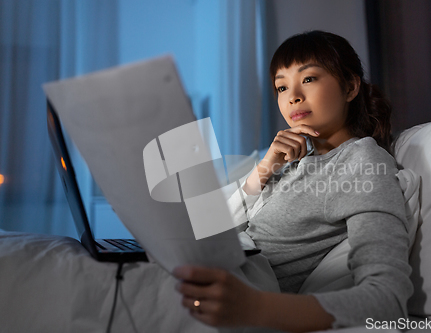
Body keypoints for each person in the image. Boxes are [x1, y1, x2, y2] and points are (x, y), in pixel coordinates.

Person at [172, 30, 413, 332]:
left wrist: (252, 307)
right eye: (281, 86)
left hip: (233, 293)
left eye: (308, 78)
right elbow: (209, 224)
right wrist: (265, 168)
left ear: (350, 86)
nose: (293, 96)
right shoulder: (294, 159)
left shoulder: (362, 162)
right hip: (210, 264)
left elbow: (386, 300)